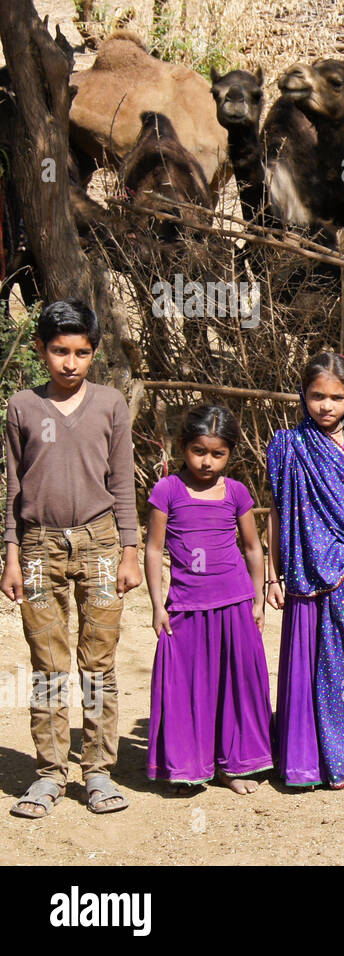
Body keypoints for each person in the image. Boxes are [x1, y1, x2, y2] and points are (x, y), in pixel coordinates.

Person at [5, 300, 141, 818]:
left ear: (94, 353)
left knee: (99, 665)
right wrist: (12, 555)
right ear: (41, 350)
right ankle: (48, 774)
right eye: (59, 350)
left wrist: (129, 551)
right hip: (37, 548)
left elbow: (123, 483)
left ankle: (99, 772)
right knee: (48, 666)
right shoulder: (22, 407)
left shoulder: (110, 404)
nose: (69, 362)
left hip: (102, 545)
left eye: (81, 352)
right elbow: (14, 489)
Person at [266, 352, 344, 788]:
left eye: (336, 397)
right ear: (304, 394)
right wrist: (272, 573)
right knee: (309, 666)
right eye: (317, 396)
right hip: (308, 574)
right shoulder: (289, 446)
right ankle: (306, 763)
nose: (326, 406)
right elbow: (279, 513)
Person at [144, 405, 273, 793]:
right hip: (185, 608)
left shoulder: (236, 492)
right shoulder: (167, 490)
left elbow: (252, 549)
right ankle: (188, 764)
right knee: (187, 689)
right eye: (199, 451)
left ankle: (231, 766)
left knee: (234, 687)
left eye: (218, 454)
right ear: (183, 447)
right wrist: (156, 606)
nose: (207, 461)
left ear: (230, 453)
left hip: (234, 603)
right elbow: (153, 549)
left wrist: (258, 600)